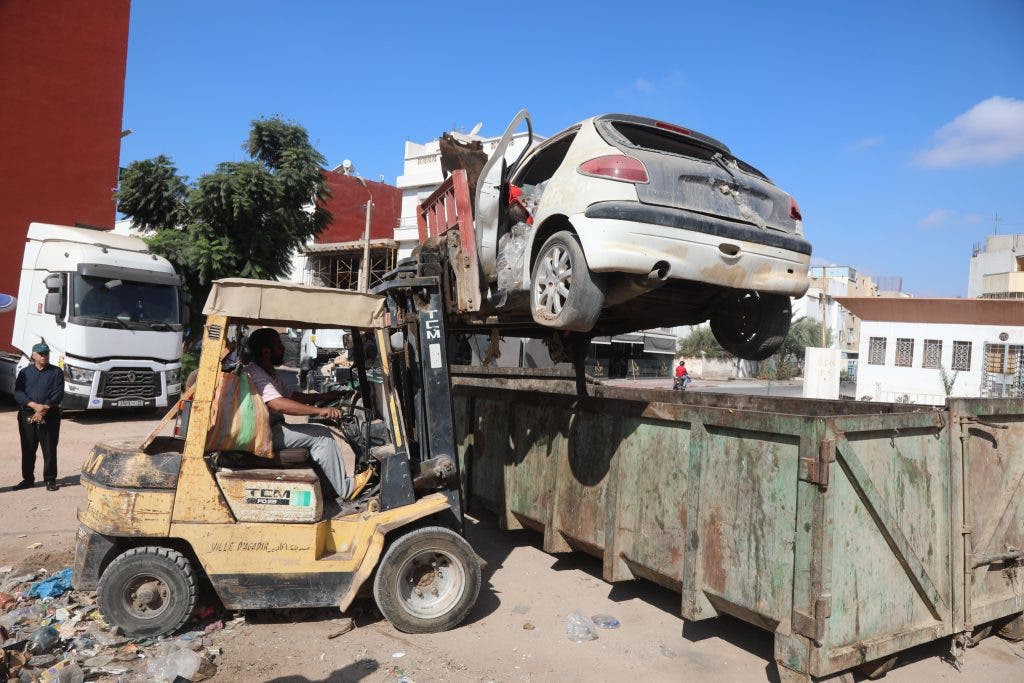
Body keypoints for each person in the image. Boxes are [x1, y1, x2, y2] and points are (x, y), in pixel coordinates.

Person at [243, 328, 371, 501]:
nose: (283, 349)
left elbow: (293, 396)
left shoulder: (268, 372)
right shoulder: (255, 373)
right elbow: (278, 404)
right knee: (322, 436)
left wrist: (325, 396)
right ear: (266, 351)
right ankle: (348, 489)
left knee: (319, 432)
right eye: (279, 345)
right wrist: (320, 411)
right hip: (265, 434)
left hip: (272, 428)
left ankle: (328, 489)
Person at [13, 343, 64, 491]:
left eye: (46, 353)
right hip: (27, 415)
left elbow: (57, 393)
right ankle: (28, 479)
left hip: (50, 415)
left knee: (49, 448)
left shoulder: (56, 372)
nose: (44, 356)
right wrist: (34, 406)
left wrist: (43, 409)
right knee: (28, 448)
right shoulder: (25, 373)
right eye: (41, 354)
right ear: (33, 355)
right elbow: (18, 392)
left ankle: (50, 479)